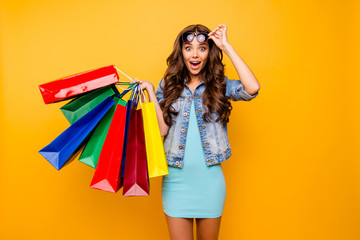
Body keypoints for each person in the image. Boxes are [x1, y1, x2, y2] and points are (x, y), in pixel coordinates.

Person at [131, 24, 260, 240]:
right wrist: (152, 93)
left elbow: (252, 88)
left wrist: (226, 46)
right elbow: (162, 129)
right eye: (188, 48)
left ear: (209, 52)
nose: (195, 54)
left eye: (202, 48)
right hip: (176, 181)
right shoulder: (169, 85)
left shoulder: (218, 85)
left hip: (209, 183)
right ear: (181, 52)